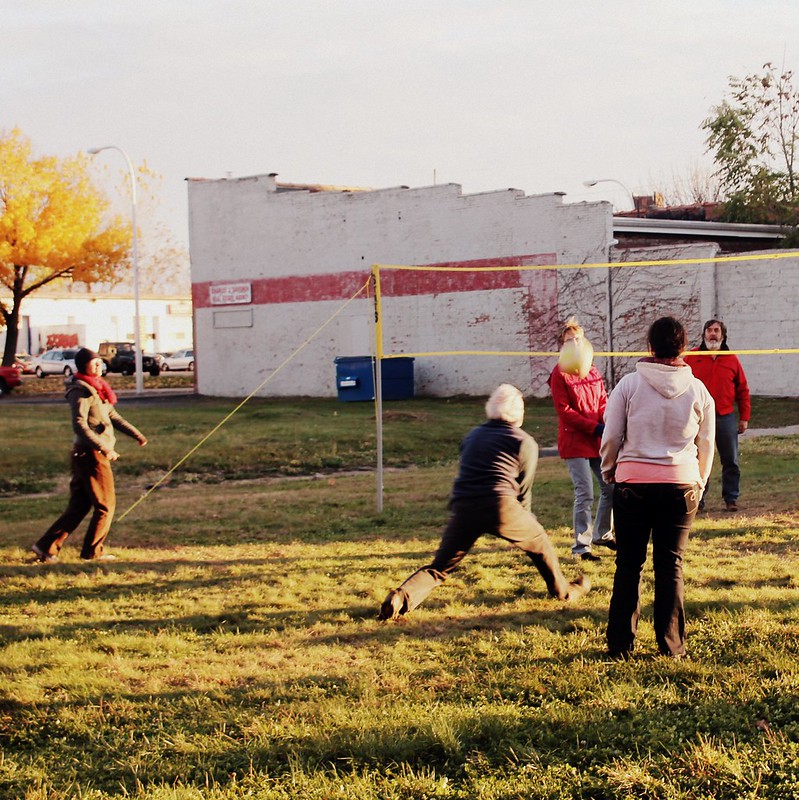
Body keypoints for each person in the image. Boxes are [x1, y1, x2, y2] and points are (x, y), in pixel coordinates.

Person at [378, 383, 590, 620]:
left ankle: (401, 597)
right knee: (540, 543)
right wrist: (527, 525)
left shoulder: (473, 436)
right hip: (501, 506)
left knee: (440, 566)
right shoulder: (524, 442)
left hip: (464, 505)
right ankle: (564, 593)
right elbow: (523, 490)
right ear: (519, 413)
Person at [600, 317, 715, 659]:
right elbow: (706, 444)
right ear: (684, 347)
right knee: (670, 566)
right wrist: (699, 481)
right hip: (681, 486)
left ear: (649, 346)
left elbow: (611, 436)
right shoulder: (698, 390)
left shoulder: (629, 386)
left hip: (633, 484)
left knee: (629, 565)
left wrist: (609, 470)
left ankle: (620, 646)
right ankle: (672, 647)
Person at [31, 347, 148, 563]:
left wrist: (137, 435)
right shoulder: (81, 389)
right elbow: (79, 425)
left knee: (80, 506)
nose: (98, 366)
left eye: (99, 363)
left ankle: (45, 547)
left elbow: (112, 415)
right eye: (93, 363)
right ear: (83, 366)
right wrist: (105, 448)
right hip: (90, 454)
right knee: (106, 505)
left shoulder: (98, 389)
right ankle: (92, 552)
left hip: (90, 454)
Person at [548, 316, 615, 561]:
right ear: (561, 346)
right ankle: (581, 547)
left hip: (597, 440)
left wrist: (607, 422)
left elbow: (602, 401)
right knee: (585, 493)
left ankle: (603, 534)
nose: (574, 344)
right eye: (569, 340)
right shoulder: (559, 374)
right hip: (574, 442)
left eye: (578, 339)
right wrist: (594, 428)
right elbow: (565, 412)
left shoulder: (593, 370)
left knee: (611, 488)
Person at [684, 319, 751, 512]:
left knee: (730, 460)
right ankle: (698, 500)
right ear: (704, 334)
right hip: (698, 418)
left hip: (725, 416)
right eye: (709, 330)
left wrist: (744, 417)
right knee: (697, 459)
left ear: (723, 335)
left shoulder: (730, 358)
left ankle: (731, 498)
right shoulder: (692, 357)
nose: (713, 334)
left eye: (716, 330)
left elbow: (743, 390)